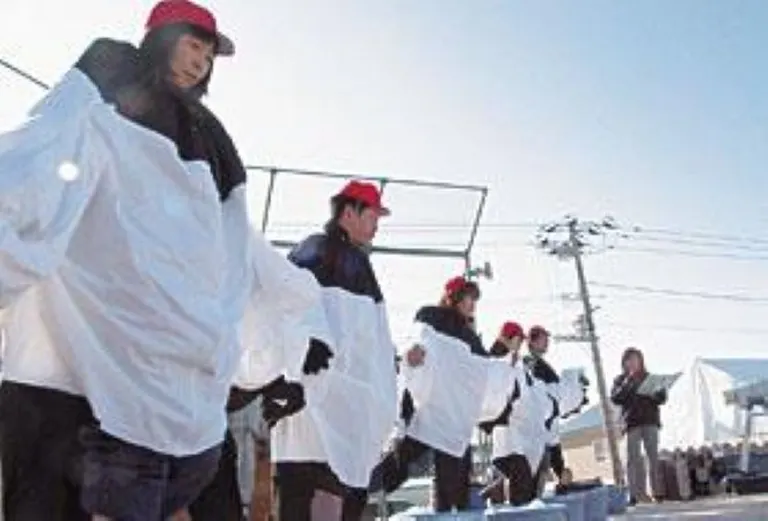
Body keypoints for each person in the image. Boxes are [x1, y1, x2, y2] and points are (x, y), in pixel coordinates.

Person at [0, 1, 321, 520]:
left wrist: (290, 334)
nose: (200, 63)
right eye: (193, 45)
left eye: (208, 55)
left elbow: (238, 251)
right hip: (73, 377)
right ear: (161, 37)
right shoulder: (106, 83)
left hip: (167, 400)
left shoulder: (211, 139)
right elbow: (38, 157)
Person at [271, 180, 397, 521]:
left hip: (339, 412)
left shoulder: (358, 263)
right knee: (309, 498)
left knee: (328, 499)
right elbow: (287, 304)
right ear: (348, 212)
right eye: (372, 215)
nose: (376, 225)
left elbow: (371, 345)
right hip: (312, 409)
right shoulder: (314, 251)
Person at [366, 276, 513, 513]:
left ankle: (451, 513)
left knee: (455, 479)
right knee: (402, 461)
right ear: (453, 297)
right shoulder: (431, 316)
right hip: (426, 405)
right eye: (468, 298)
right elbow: (416, 339)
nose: (472, 304)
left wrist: (501, 348)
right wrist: (411, 353)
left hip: (453, 416)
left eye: (474, 300)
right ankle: (357, 489)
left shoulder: (469, 335)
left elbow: (482, 369)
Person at [611, 347, 667, 505]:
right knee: (633, 459)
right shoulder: (620, 380)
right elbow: (616, 398)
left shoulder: (650, 378)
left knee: (653, 457)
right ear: (624, 362)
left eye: (636, 359)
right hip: (631, 423)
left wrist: (658, 393)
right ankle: (635, 494)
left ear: (641, 361)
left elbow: (662, 399)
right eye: (629, 359)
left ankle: (658, 492)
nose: (633, 362)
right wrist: (628, 382)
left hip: (650, 421)